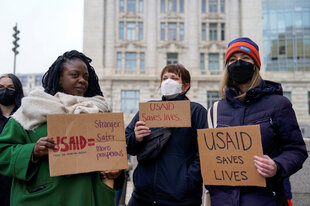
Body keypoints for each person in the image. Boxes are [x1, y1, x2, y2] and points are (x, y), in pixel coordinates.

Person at [0, 50, 122, 206]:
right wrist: (32, 151)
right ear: (59, 78)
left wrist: (116, 171)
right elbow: (3, 152)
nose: (82, 80)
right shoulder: (31, 110)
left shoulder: (99, 112)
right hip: (45, 199)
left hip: (89, 198)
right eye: (74, 75)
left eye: (85, 77)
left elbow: (113, 155)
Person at [206, 37, 308, 206]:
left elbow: (296, 149)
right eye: (232, 59)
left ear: (255, 64)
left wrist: (277, 166)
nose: (238, 63)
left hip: (265, 199)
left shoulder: (279, 104)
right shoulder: (216, 109)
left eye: (245, 58)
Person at [126, 64, 207, 206]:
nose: (168, 82)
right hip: (142, 195)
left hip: (180, 199)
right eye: (164, 78)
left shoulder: (196, 111)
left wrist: (188, 182)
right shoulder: (148, 109)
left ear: (186, 86)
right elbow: (126, 145)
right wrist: (136, 137)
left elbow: (205, 151)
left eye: (174, 78)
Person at [0, 73, 24, 206]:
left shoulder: (25, 116)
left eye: (10, 87)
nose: (5, 90)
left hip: (16, 177)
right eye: (1, 87)